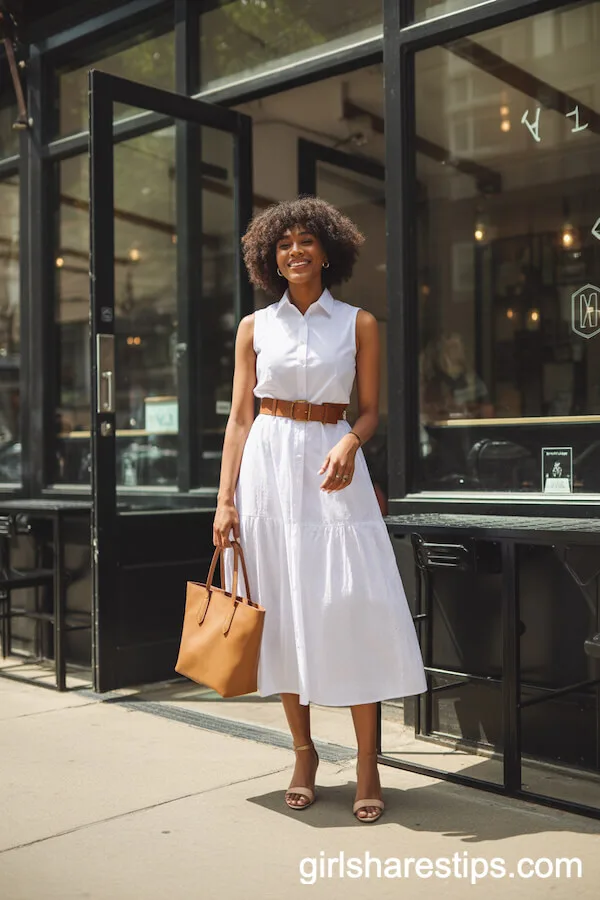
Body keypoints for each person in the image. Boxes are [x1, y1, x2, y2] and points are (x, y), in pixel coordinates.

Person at [213, 197, 426, 823]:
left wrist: (351, 443)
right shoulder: (254, 327)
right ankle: (302, 754)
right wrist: (225, 501)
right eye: (283, 244)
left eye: (306, 241)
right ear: (268, 258)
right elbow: (239, 418)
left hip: (336, 471)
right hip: (268, 475)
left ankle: (367, 764)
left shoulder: (358, 323)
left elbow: (370, 410)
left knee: (350, 606)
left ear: (328, 251)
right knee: (279, 613)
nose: (295, 251)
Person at [420, 331, 493, 422]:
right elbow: (430, 415)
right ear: (443, 354)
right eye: (450, 349)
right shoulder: (434, 385)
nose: (455, 353)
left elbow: (487, 411)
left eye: (457, 348)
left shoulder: (474, 382)